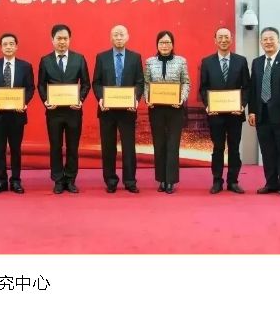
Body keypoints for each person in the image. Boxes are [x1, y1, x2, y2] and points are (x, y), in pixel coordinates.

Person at [37, 24, 91, 194]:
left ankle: (70, 179)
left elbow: (86, 83)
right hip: (54, 112)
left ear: (69, 40)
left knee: (73, 147)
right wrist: (46, 101)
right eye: (59, 38)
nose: (62, 42)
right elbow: (41, 85)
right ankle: (58, 180)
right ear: (52, 40)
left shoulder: (79, 59)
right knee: (55, 146)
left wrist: (80, 100)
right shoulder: (45, 60)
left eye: (65, 38)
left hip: (74, 111)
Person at [248, 27, 280, 198]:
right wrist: (252, 111)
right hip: (262, 115)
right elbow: (253, 89)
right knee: (267, 151)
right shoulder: (257, 62)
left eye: (271, 38)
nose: (268, 42)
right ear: (261, 42)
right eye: (265, 39)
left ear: (279, 40)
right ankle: (271, 183)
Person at [92, 25, 144, 193]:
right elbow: (96, 82)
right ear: (110, 38)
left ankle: (130, 181)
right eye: (116, 35)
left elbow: (140, 82)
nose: (119, 37)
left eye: (122, 34)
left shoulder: (135, 57)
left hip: (127, 110)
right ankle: (111, 180)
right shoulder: (102, 57)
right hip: (107, 110)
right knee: (108, 147)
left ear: (128, 37)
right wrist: (101, 98)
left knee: (128, 147)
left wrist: (135, 99)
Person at [199, 27, 251, 194]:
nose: (223, 40)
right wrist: (208, 105)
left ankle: (233, 181)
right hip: (216, 115)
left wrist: (242, 105)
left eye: (226, 37)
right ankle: (217, 181)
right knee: (217, 148)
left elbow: (247, 87)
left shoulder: (241, 61)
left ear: (231, 39)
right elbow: (203, 88)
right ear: (215, 40)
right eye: (220, 37)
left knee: (234, 148)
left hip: (235, 114)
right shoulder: (207, 62)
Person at [0, 33, 36, 194]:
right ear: (1, 47)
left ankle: (16, 181)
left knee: (15, 149)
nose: (8, 47)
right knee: (0, 149)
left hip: (17, 115)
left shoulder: (25, 66)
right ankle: (0, 181)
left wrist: (24, 102)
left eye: (11, 44)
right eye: (5, 44)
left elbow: (30, 88)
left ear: (16, 47)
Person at [144, 30, 190, 194]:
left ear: (172, 44)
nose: (165, 45)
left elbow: (186, 83)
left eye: (168, 42)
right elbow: (146, 83)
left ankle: (170, 180)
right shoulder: (149, 62)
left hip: (175, 109)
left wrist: (182, 98)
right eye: (162, 42)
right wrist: (147, 98)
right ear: (157, 45)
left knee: (172, 144)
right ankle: (161, 179)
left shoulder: (181, 61)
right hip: (156, 109)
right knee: (159, 144)